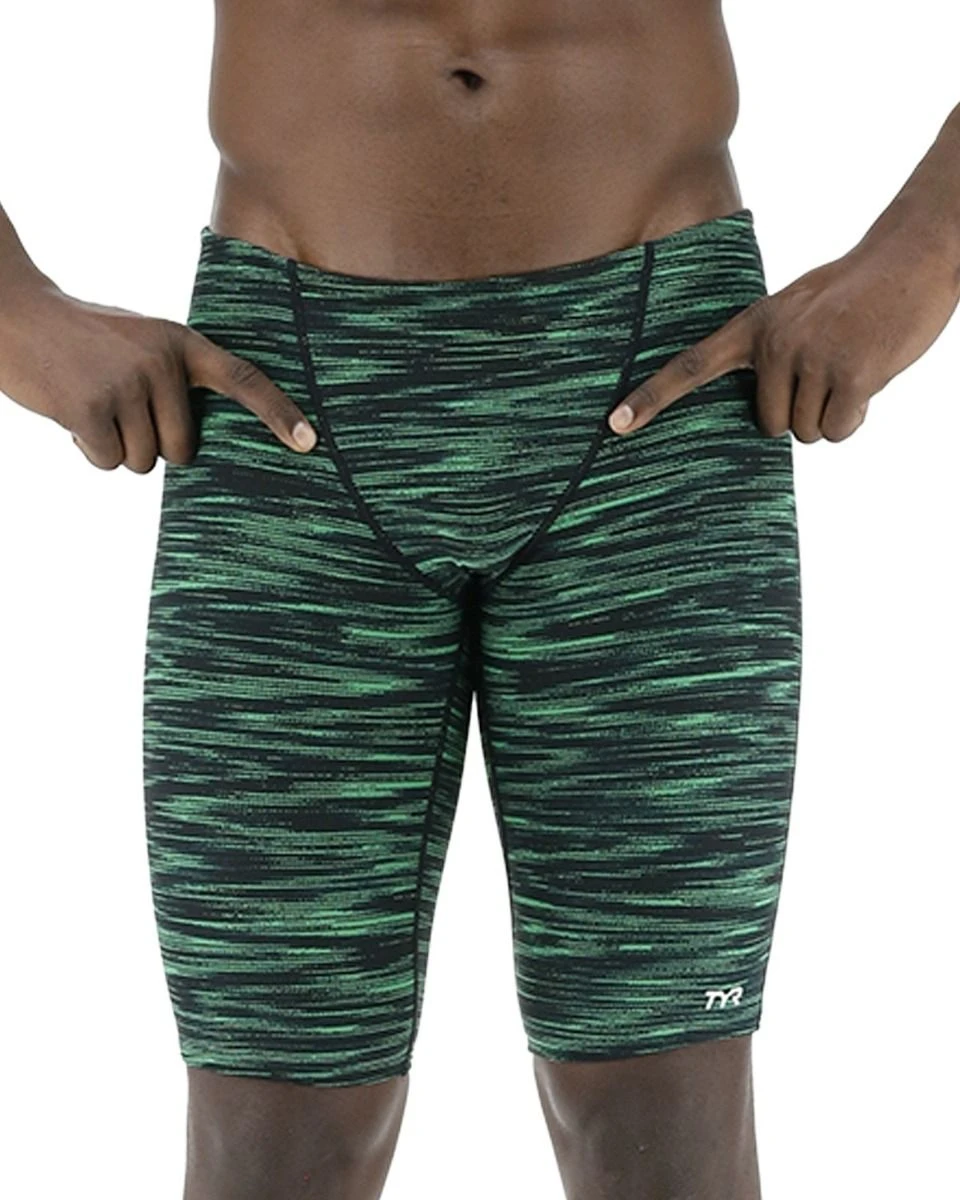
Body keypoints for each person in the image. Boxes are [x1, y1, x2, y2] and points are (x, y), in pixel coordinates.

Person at [0, 5, 958, 1198]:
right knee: (272, 1130)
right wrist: (16, 309)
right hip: (285, 397)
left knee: (662, 1120)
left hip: (660, 395)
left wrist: (925, 250)